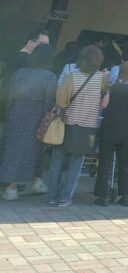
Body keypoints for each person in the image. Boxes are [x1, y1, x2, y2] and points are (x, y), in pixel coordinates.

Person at [47, 45, 107, 207]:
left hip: (67, 123)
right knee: (76, 163)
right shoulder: (101, 79)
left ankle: (52, 196)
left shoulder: (72, 77)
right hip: (87, 128)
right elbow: (105, 98)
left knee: (57, 160)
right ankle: (65, 198)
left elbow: (61, 101)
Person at [1, 44, 56, 200]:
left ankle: (12, 188)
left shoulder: (20, 73)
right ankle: (32, 183)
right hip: (37, 116)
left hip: (16, 114)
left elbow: (11, 95)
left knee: (12, 150)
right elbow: (49, 102)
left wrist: (10, 112)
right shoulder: (50, 77)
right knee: (35, 151)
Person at [94, 60, 128, 206]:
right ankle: (125, 195)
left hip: (110, 129)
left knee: (105, 161)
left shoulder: (114, 88)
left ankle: (103, 196)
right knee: (125, 163)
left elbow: (103, 105)